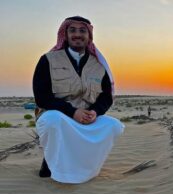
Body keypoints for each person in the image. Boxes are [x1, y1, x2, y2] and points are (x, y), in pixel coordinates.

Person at [33, 16, 124, 184]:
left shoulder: (98, 65)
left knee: (114, 126)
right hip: (60, 116)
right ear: (65, 34)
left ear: (89, 36)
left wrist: (95, 112)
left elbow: (106, 96)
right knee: (52, 120)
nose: (77, 34)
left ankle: (88, 166)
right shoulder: (49, 60)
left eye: (82, 31)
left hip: (87, 117)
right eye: (72, 30)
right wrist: (72, 112)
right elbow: (41, 96)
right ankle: (50, 162)